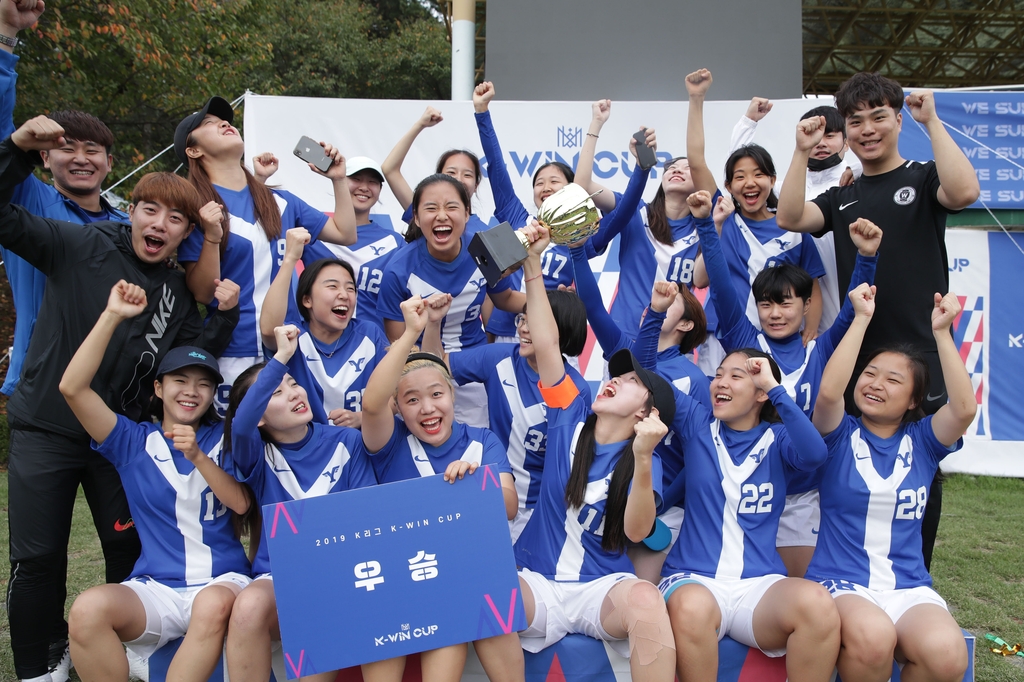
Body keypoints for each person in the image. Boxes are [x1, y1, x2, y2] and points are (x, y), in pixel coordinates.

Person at [0, 115, 239, 682]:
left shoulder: (178, 294)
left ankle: (133, 660)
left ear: (184, 234)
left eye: (175, 218)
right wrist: (13, 150)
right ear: (129, 210)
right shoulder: (77, 241)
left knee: (129, 556)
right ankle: (38, 669)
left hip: (120, 440)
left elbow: (190, 359)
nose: (159, 224)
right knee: (36, 561)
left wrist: (223, 314)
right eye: (150, 210)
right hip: (47, 428)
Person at [775, 71, 981, 571]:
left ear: (896, 120)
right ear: (844, 130)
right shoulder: (844, 196)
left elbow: (966, 191)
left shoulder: (923, 176)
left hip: (919, 355)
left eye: (878, 117)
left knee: (921, 471)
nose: (867, 128)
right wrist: (801, 152)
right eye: (855, 120)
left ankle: (915, 577)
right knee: (848, 466)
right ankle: (848, 571)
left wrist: (931, 121)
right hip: (858, 355)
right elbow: (789, 217)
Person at [60, 281, 251, 682]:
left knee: (212, 605)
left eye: (203, 384)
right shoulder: (132, 441)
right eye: (180, 380)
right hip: (157, 588)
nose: (191, 391)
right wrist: (112, 314)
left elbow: (241, 505)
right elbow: (72, 388)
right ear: (159, 388)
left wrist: (197, 454)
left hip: (223, 583)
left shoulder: (228, 439)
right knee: (87, 610)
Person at [512, 220, 677, 682]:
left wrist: (643, 458)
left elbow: (638, 529)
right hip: (538, 581)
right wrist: (532, 263)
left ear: (647, 415)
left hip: (600, 590)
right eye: (616, 375)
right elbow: (546, 343)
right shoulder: (569, 415)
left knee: (647, 600)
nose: (613, 380)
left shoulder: (649, 461)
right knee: (487, 594)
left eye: (629, 383)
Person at [692, 187, 881, 576]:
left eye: (786, 303)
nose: (775, 313)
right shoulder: (746, 343)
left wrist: (867, 257)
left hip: (805, 494)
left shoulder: (822, 348)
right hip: (750, 489)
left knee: (800, 590)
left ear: (807, 305)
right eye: (766, 304)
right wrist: (707, 229)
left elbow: (855, 305)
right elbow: (724, 287)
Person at [807, 287, 975, 682]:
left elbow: (964, 408)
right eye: (869, 374)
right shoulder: (836, 434)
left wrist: (942, 333)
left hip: (907, 587)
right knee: (874, 638)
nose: (876, 384)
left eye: (893, 380)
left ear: (915, 399)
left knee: (948, 657)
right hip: (841, 583)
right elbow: (829, 392)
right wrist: (861, 317)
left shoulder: (924, 441)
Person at [359, 296, 520, 682]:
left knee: (468, 601)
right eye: (411, 400)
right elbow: (370, 403)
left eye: (436, 394)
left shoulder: (481, 440)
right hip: (398, 578)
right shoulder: (390, 442)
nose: (427, 408)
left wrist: (474, 485)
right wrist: (411, 331)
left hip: (462, 574)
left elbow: (509, 505)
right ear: (397, 407)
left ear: (452, 395)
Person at [657, 343, 840, 682]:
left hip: (758, 587)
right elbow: (645, 373)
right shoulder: (697, 422)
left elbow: (815, 454)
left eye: (736, 376)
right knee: (691, 607)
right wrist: (654, 314)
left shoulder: (779, 438)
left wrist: (775, 389)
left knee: (817, 602)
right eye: (718, 374)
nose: (721, 382)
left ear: (760, 394)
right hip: (693, 579)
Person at [173, 96, 359, 407]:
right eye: (208, 124)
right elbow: (205, 293)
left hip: (289, 344)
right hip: (234, 351)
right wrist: (211, 236)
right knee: (238, 447)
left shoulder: (280, 200)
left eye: (226, 120)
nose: (224, 123)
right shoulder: (195, 205)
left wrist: (338, 179)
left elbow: (345, 232)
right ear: (193, 150)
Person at [222, 324, 378, 682]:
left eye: (293, 383)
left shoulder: (347, 442)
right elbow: (241, 425)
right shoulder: (256, 454)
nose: (293, 393)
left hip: (341, 570)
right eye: (276, 392)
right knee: (247, 606)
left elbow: (364, 512)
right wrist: (280, 358)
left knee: (318, 602)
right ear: (260, 415)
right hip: (276, 576)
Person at [422, 283, 589, 542]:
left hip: (541, 511)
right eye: (522, 319)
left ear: (559, 332)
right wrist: (433, 323)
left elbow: (572, 464)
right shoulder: (499, 357)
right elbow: (432, 369)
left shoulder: (576, 390)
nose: (523, 328)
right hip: (492, 497)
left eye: (534, 323)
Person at [684, 69, 825, 350]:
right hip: (724, 338)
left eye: (759, 174)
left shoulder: (794, 228)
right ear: (728, 185)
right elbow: (697, 161)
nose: (750, 182)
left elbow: (813, 287)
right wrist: (696, 98)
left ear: (773, 180)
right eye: (740, 177)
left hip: (780, 341)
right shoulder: (723, 215)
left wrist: (810, 332)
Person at [376, 174, 525, 426]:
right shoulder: (397, 271)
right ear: (415, 216)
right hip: (423, 375)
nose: (441, 216)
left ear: (467, 214)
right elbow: (399, 345)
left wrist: (551, 305)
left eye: (452, 207)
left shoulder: (484, 250)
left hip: (475, 369)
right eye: (431, 208)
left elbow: (506, 299)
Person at [730, 99, 863, 333]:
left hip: (847, 285)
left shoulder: (857, 183)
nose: (821, 143)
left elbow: (896, 171)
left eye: (830, 136)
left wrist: (859, 169)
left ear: (847, 141)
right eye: (815, 135)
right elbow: (740, 168)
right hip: (806, 296)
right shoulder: (787, 190)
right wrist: (748, 121)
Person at [574, 100, 706, 335]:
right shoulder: (635, 211)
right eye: (671, 168)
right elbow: (582, 187)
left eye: (688, 168)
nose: (677, 170)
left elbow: (702, 280)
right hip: (623, 338)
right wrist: (596, 124)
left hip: (671, 343)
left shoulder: (706, 230)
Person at [472, 81, 576, 342]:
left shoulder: (579, 237)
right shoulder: (518, 218)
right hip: (506, 330)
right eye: (539, 182)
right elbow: (497, 167)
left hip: (551, 332)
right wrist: (482, 113)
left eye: (555, 181)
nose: (545, 187)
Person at [261, 227, 388, 428]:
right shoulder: (295, 336)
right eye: (332, 286)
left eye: (350, 288)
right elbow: (268, 330)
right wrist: (290, 260)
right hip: (307, 447)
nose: (344, 295)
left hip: (361, 447)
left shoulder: (369, 335)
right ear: (307, 300)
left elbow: (399, 392)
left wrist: (363, 417)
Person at [301, 156, 404, 329]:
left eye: (373, 182)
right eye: (356, 179)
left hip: (375, 346)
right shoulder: (314, 234)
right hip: (320, 344)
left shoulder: (394, 243)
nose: (364, 187)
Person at [381, 106, 491, 237]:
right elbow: (390, 169)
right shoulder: (427, 214)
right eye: (451, 172)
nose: (459, 179)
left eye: (467, 174)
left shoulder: (486, 233)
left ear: (476, 186)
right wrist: (420, 125)